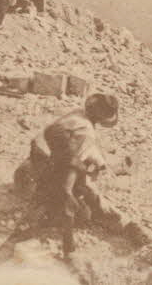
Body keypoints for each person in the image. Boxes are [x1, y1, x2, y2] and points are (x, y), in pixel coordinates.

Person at [41, 93, 119, 258]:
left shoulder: (77, 114)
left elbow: (77, 146)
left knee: (89, 171)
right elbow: (73, 164)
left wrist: (98, 162)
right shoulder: (87, 133)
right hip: (57, 168)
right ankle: (69, 249)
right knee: (81, 213)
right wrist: (68, 192)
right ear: (103, 117)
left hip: (46, 154)